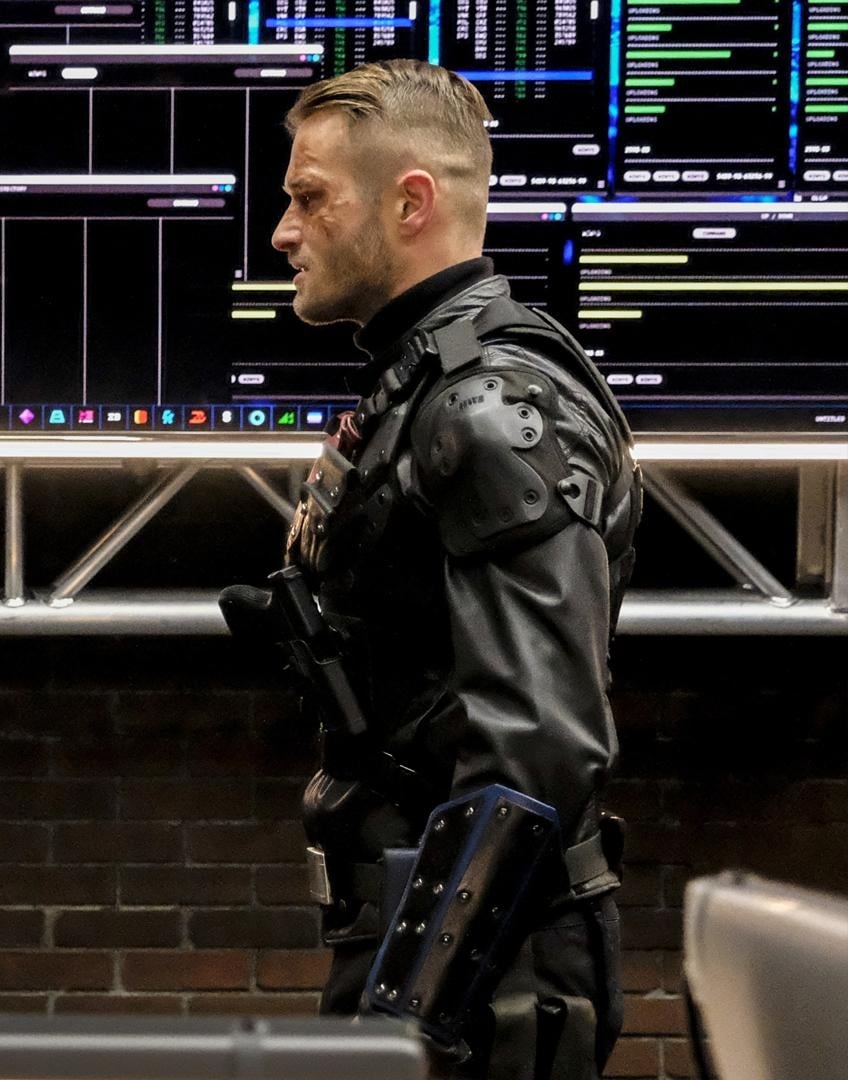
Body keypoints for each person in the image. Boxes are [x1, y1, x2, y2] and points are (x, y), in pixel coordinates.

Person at [221, 61, 641, 1078]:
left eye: (310, 198)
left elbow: (539, 747)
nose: (283, 233)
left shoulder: (490, 410)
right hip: (426, 939)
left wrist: (419, 1007)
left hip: (482, 970)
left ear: (411, 203)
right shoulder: (425, 387)